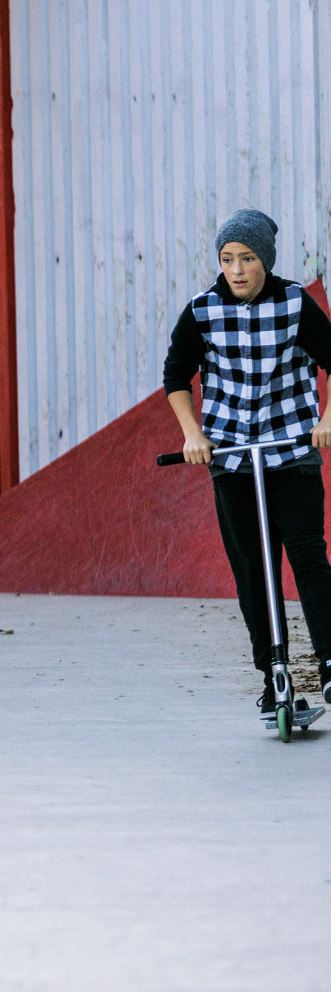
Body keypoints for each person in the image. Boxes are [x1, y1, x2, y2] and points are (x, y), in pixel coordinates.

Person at [163, 209, 331, 721]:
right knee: (253, 568)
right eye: (228, 259)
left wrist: (326, 418)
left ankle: (329, 662)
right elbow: (175, 375)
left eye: (248, 258)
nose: (237, 269)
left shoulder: (296, 303)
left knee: (307, 556)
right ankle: (272, 673)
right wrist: (193, 434)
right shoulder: (202, 311)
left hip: (291, 451)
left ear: (267, 260)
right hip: (233, 458)